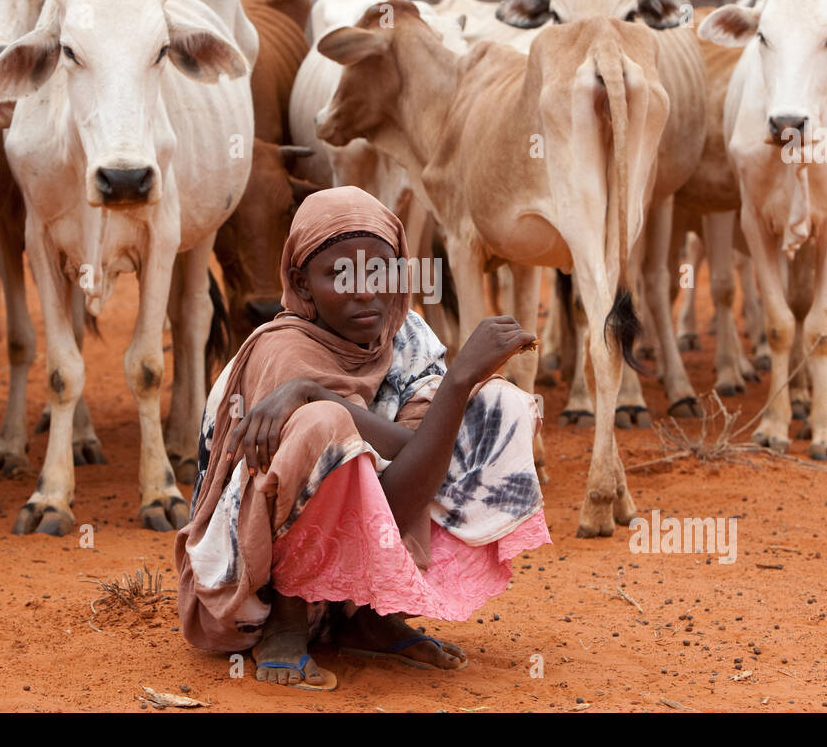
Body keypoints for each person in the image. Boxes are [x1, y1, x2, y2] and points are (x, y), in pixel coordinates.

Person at [174, 186, 550, 691]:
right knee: (323, 424)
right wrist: (313, 394)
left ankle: (368, 613)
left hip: (348, 575)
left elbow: (409, 480)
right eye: (338, 275)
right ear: (302, 285)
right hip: (252, 593)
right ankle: (290, 620)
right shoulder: (281, 351)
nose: (364, 291)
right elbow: (280, 492)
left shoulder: (405, 335)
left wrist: (461, 384)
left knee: (497, 405)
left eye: (381, 271)